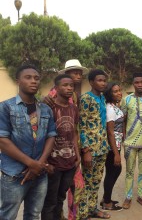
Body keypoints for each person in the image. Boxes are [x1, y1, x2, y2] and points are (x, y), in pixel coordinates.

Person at [0, 64, 56, 220]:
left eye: (37, 78)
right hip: (13, 174)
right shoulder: (5, 107)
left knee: (33, 214)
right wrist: (32, 164)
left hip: (39, 174)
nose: (34, 81)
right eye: (28, 77)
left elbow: (51, 136)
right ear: (18, 81)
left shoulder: (46, 110)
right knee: (8, 215)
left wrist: (39, 164)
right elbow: (2, 141)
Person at [43, 58, 88, 220]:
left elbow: (74, 132)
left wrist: (77, 156)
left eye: (72, 85)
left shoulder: (74, 104)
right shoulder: (48, 104)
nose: (70, 87)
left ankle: (68, 215)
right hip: (53, 161)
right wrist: (44, 161)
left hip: (70, 161)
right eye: (66, 84)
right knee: (50, 201)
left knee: (60, 196)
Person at [77, 69, 110, 220]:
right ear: (91, 82)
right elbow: (82, 125)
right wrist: (86, 150)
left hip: (102, 147)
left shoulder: (102, 98)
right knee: (86, 182)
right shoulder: (86, 99)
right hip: (90, 149)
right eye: (99, 80)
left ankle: (92, 209)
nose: (103, 83)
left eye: (104, 80)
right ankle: (83, 214)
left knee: (96, 181)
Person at [121, 73, 142, 209]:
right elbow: (123, 119)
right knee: (129, 171)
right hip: (130, 143)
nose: (140, 85)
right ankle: (128, 197)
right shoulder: (126, 100)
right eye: (137, 82)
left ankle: (140, 196)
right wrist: (124, 137)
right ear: (133, 84)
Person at [101, 82, 124, 211]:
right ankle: (107, 203)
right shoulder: (109, 108)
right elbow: (110, 132)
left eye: (119, 90)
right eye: (115, 91)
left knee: (116, 170)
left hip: (117, 144)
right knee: (112, 171)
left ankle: (106, 198)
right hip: (112, 146)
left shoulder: (114, 106)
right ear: (109, 94)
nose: (119, 93)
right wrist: (115, 153)